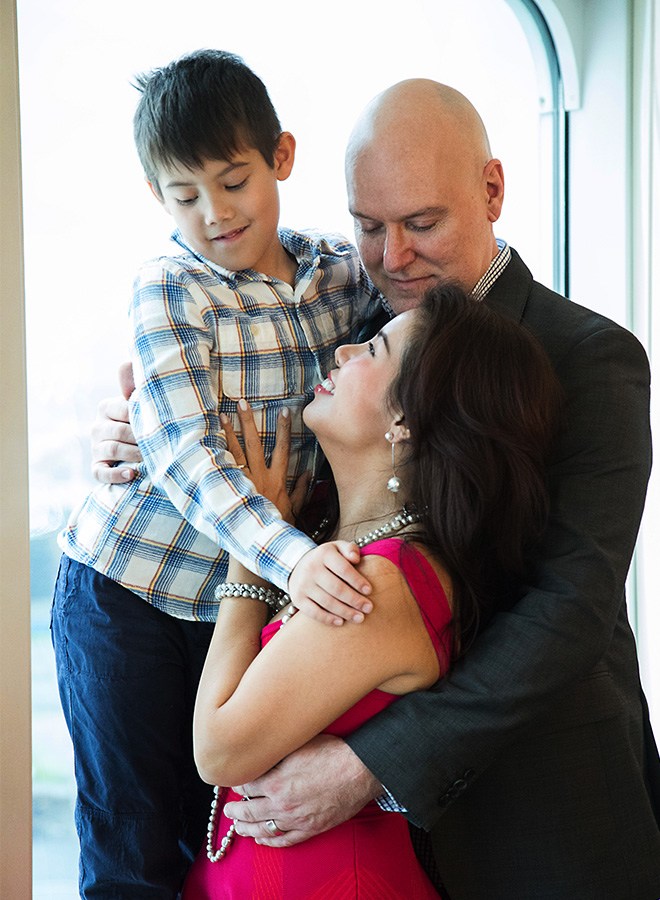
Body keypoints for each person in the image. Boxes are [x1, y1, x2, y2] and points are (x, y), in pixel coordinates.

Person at [92, 79, 660, 898]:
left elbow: (566, 611)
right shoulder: (358, 339)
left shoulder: (590, 358)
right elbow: (241, 426)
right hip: (369, 841)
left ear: (492, 191)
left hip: (539, 811)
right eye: (368, 228)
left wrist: (375, 764)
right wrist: (138, 430)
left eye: (422, 224)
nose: (393, 257)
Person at [52, 49, 382, 897]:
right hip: (127, 595)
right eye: (183, 195)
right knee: (136, 847)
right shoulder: (169, 287)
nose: (213, 214)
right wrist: (297, 560)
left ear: (282, 158)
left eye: (233, 182)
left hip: (239, 602)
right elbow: (185, 456)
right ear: (156, 197)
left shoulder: (342, 276)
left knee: (228, 843)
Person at [181, 283, 563, 898]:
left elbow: (219, 751)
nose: (343, 352)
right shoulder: (342, 543)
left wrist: (249, 551)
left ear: (404, 421)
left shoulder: (380, 585)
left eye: (374, 350)